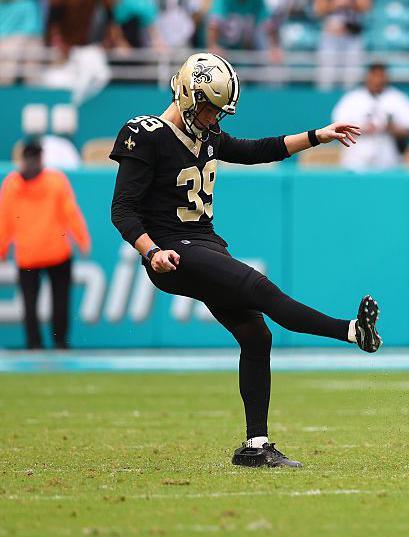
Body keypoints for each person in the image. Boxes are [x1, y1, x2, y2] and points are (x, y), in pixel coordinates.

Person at [108, 53, 382, 468]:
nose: (213, 118)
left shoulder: (206, 135)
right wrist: (151, 250)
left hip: (205, 245)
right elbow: (123, 210)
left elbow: (259, 150)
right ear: (186, 93)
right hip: (173, 250)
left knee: (257, 338)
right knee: (259, 289)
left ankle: (256, 446)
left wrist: (317, 136)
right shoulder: (144, 133)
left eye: (219, 110)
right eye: (208, 107)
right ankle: (351, 332)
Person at [0, 139, 91, 350]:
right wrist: (82, 239)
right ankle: (59, 342)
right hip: (55, 251)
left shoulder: (13, 184)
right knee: (59, 300)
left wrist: (3, 248)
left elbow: (5, 219)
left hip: (30, 253)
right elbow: (71, 213)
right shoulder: (55, 180)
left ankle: (34, 343)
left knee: (31, 303)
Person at [330, 62, 409, 170]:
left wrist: (391, 128)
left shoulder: (397, 98)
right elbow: (337, 127)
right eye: (374, 75)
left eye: (381, 76)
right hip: (356, 160)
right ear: (368, 77)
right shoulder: (352, 99)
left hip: (387, 160)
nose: (378, 80)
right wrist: (362, 128)